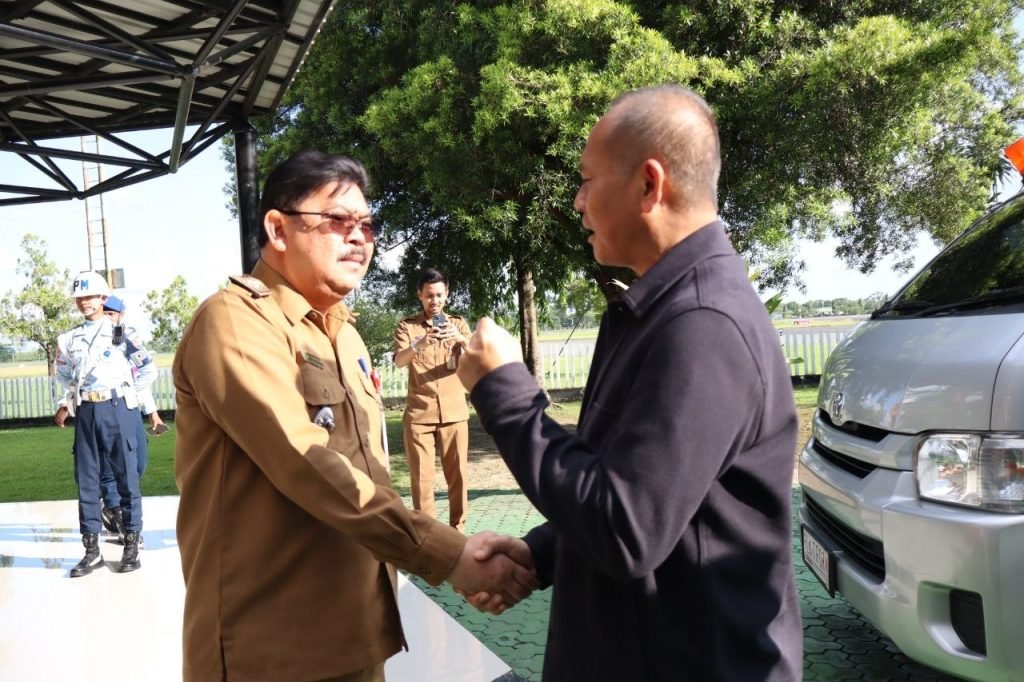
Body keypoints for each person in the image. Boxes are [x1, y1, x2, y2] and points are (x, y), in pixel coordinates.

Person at [456, 85, 803, 680]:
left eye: (587, 181)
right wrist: (543, 552)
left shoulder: (704, 322)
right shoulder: (661, 312)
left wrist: (504, 393)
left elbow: (627, 529)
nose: (577, 202)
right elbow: (646, 489)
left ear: (648, 184)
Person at [172, 150, 536, 681]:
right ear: (278, 228)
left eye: (368, 225)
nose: (359, 237)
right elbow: (305, 461)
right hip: (270, 650)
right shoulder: (235, 323)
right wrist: (448, 555)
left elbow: (367, 472)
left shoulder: (343, 332)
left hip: (356, 633)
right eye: (338, 220)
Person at [54, 270, 153, 576]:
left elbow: (147, 369)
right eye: (79, 297)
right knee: (86, 480)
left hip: (117, 406)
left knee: (127, 478)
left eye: (90, 296)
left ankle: (131, 545)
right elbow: (64, 374)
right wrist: (69, 399)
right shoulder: (68, 339)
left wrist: (128, 396)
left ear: (102, 298)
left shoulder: (121, 332)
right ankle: (91, 551)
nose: (84, 302)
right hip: (87, 410)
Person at [393, 269, 471, 531]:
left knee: (458, 478)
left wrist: (461, 340)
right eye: (429, 296)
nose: (434, 301)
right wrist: (421, 343)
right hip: (419, 416)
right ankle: (428, 537)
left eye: (439, 295)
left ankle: (458, 533)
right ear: (420, 295)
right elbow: (398, 361)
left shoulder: (458, 324)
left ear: (447, 294)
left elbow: (477, 357)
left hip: (454, 414)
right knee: (422, 481)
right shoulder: (407, 327)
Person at [97, 295, 157, 545]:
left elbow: (147, 372)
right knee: (108, 466)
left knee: (138, 463)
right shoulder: (89, 338)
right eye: (104, 313)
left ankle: (113, 506)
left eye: (111, 314)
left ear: (121, 315)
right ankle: (117, 512)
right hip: (102, 409)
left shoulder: (127, 337)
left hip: (128, 408)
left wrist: (147, 408)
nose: (107, 317)